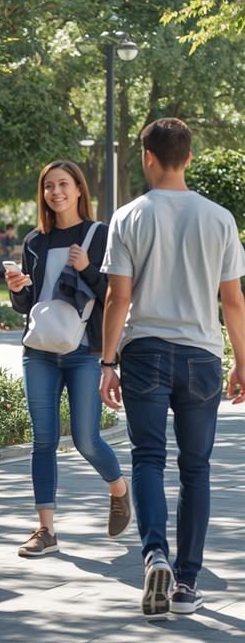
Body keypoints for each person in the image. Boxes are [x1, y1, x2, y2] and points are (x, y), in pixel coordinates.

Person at [99, 118, 245, 617]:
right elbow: (233, 302)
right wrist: (242, 363)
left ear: (148, 156)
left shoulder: (129, 217)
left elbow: (118, 298)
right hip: (202, 355)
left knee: (146, 458)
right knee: (196, 468)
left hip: (144, 352)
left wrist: (107, 361)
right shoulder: (219, 218)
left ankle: (155, 554)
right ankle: (185, 583)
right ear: (188, 157)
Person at [6, 161, 131, 557]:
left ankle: (118, 489)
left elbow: (114, 293)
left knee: (85, 438)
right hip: (39, 351)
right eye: (48, 186)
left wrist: (87, 267)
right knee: (42, 441)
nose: (55, 192)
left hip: (83, 352)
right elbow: (29, 305)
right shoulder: (34, 242)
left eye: (63, 184)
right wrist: (16, 289)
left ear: (79, 189)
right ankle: (45, 530)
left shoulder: (98, 234)